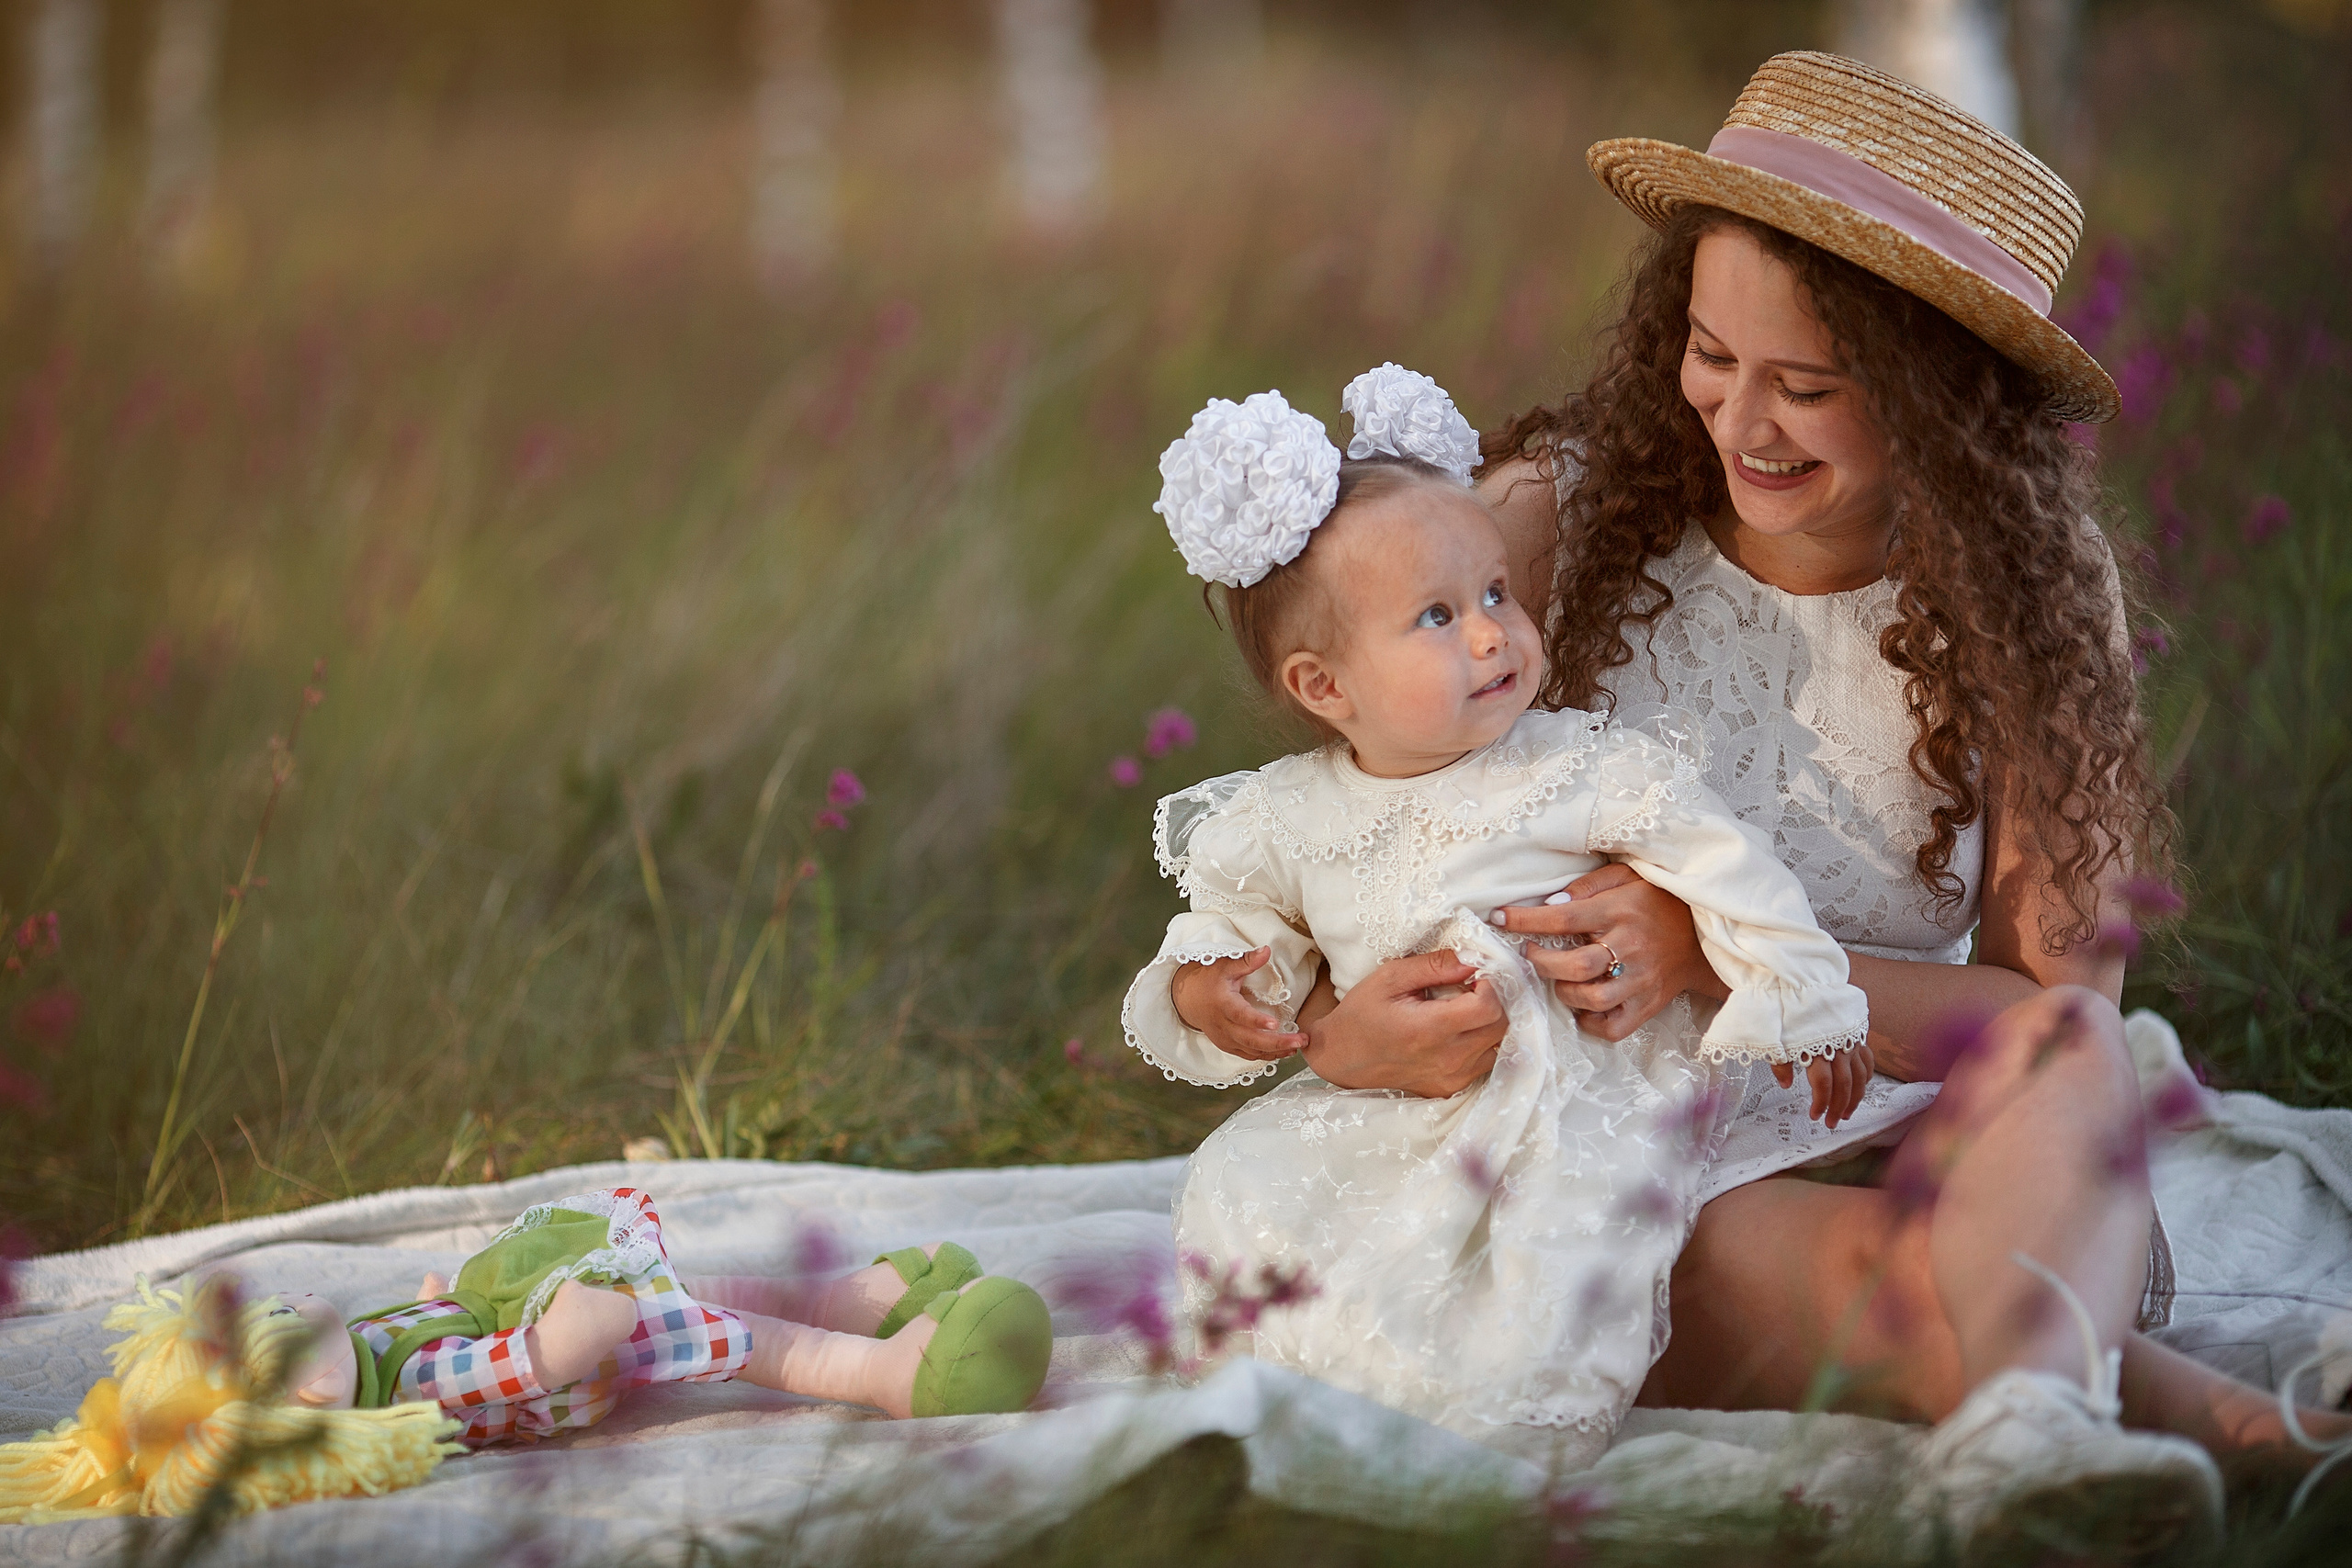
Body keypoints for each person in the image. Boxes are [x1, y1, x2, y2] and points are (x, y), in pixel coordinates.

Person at [1170, 50, 2350, 1547]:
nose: (1744, 421)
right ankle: (2109, 1420)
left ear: (1944, 404)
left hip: (1901, 1114)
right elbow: (1360, 823)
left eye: (1812, 383)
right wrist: (1343, 1029)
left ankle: (2066, 1412)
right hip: (1606, 1154)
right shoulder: (1562, 520)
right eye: (1712, 354)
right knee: (1851, 1280)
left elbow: (2052, 1021)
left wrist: (1713, 948)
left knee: (2054, 1089)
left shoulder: (2039, 599)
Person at [1126, 363, 1870, 1462]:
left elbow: (1727, 864)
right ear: (1325, 688)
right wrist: (1211, 990)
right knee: (1249, 1183)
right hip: (1393, 1100)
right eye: (1436, 616)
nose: (1491, 634)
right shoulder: (1283, 819)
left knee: (1551, 1238)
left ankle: (1503, 1425)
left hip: (1565, 1094)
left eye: (1495, 595)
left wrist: (1809, 996)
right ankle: (1321, 1371)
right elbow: (1235, 931)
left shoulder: (1576, 765)